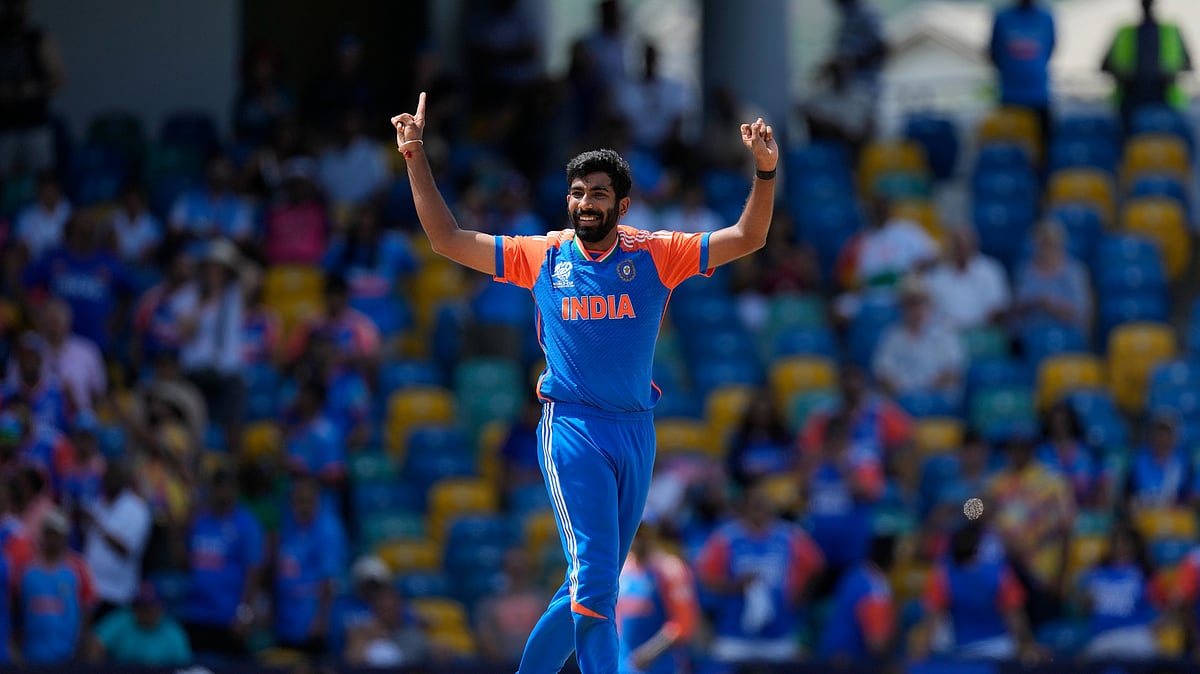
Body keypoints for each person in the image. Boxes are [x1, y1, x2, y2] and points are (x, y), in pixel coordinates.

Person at [393, 89, 778, 674]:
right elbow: (448, 240)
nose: (584, 203)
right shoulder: (543, 257)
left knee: (588, 585)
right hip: (572, 428)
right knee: (598, 578)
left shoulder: (656, 254)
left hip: (635, 433)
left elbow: (749, 239)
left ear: (622, 206)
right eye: (576, 193)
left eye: (598, 194)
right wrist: (417, 157)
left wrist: (766, 170)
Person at [694, 479, 825, 664]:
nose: (760, 511)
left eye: (764, 506)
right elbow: (706, 579)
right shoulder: (726, 538)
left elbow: (817, 566)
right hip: (734, 634)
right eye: (755, 506)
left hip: (779, 632)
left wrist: (800, 597)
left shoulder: (790, 536)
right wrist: (735, 586)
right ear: (744, 509)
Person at [987, 426, 1075, 628]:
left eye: (1022, 447)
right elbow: (971, 514)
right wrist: (969, 505)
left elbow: (1066, 530)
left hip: (1042, 574)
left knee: (1045, 631)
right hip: (1006, 574)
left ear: (1032, 449)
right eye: (1012, 448)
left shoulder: (1052, 482)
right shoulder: (995, 483)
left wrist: (1061, 576)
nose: (1017, 453)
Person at [919, 521, 1041, 661]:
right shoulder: (1000, 572)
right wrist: (1025, 645)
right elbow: (1014, 616)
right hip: (999, 648)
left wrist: (923, 654)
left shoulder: (943, 576)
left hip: (964, 650)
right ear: (978, 547)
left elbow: (932, 619)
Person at [21, 216, 137, 351]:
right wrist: (35, 316)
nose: (85, 236)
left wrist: (115, 324)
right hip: (57, 343)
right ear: (72, 232)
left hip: (97, 342)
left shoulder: (108, 261)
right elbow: (23, 284)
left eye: (89, 232)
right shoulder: (55, 258)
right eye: (82, 232)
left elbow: (129, 293)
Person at [182, 467, 264, 657]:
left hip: (228, 618)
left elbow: (254, 573)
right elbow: (186, 562)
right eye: (218, 487)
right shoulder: (200, 520)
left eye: (227, 488)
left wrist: (245, 614)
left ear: (235, 490)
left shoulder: (247, 524)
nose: (222, 493)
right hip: (196, 613)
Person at [175, 238, 248, 450]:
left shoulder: (234, 294)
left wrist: (232, 262)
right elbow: (185, 331)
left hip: (227, 370)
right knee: (195, 426)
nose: (214, 272)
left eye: (220, 268)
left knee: (232, 425)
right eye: (211, 266)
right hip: (195, 370)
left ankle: (232, 472)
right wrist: (204, 301)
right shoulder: (187, 295)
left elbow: (254, 274)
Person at [802, 412, 885, 589]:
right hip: (819, 547)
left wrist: (843, 466)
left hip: (852, 548)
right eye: (831, 437)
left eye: (840, 437)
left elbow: (866, 494)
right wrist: (813, 466)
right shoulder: (816, 461)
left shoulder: (863, 460)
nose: (835, 442)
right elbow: (803, 493)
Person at [615, 521, 699, 674]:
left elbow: (684, 624)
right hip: (623, 666)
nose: (637, 538)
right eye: (634, 531)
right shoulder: (620, 569)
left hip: (663, 666)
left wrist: (650, 653)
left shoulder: (670, 570)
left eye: (642, 533)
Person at [804, 0, 888, 152]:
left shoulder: (864, 15)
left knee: (850, 131)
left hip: (860, 91)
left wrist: (847, 63)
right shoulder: (849, 15)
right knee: (809, 106)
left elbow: (881, 48)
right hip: (846, 92)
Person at [273, 474, 342, 657]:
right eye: (296, 500)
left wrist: (321, 619)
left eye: (305, 500)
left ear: (316, 499)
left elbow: (330, 580)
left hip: (310, 620)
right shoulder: (288, 525)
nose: (300, 505)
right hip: (285, 618)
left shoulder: (327, 530)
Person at [18, 508, 95, 665]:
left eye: (57, 534)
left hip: (66, 654)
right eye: (49, 533)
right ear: (43, 535)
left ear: (65, 537)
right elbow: (17, 606)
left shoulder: (78, 568)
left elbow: (87, 607)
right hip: (32, 654)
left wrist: (81, 643)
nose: (53, 539)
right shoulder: (27, 570)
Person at [1102, 0, 1193, 131]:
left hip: (1167, 101)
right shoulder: (1125, 32)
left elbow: (1188, 65)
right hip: (1129, 100)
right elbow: (1104, 66)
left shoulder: (1171, 31)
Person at [872, 276, 966, 402]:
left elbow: (953, 371)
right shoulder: (891, 336)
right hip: (902, 399)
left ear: (929, 305)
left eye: (919, 303)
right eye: (910, 304)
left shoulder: (945, 334)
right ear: (902, 307)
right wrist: (907, 395)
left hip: (937, 400)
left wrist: (926, 394)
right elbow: (883, 372)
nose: (915, 309)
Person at [1077, 522, 1161, 660]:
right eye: (1117, 542)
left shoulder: (1144, 574)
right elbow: (1083, 609)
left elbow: (1160, 606)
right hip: (1103, 636)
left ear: (1135, 546)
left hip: (1135, 635)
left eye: (1126, 542)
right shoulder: (1097, 574)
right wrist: (1085, 600)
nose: (1121, 547)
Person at [0, 0, 64, 177]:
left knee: (42, 177)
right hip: (4, 126)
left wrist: (32, 88)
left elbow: (58, 78)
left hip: (34, 124)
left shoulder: (37, 38)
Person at [80, 462, 151, 618]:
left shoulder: (137, 509)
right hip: (91, 588)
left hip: (117, 593)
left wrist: (98, 525)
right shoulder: (98, 503)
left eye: (114, 477)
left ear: (124, 480)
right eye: (106, 477)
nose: (109, 480)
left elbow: (126, 549)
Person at [818, 535, 897, 664]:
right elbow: (877, 642)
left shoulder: (855, 572)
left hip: (830, 655)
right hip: (848, 661)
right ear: (891, 558)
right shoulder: (875, 588)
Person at [989, 0, 1056, 145]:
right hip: (1010, 96)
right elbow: (993, 52)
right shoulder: (1003, 18)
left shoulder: (1046, 17)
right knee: (1009, 147)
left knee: (1044, 148)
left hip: (1040, 96)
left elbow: (1051, 48)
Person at [26, 297, 106, 414]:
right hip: (35, 417)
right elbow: (13, 386)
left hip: (79, 421)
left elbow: (99, 394)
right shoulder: (29, 346)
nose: (52, 327)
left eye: (56, 321)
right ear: (41, 320)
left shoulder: (88, 351)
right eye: (49, 321)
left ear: (68, 321)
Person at [924, 226, 1011, 332]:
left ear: (974, 246)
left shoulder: (991, 271)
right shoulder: (938, 276)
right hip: (947, 333)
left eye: (965, 246)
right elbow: (931, 311)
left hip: (983, 332)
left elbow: (999, 307)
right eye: (957, 246)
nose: (962, 250)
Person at [1012, 219, 1092, 333]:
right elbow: (1016, 310)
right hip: (1030, 333)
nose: (1046, 249)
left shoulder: (1074, 272)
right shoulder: (1024, 271)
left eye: (1050, 244)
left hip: (1067, 332)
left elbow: (1082, 313)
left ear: (1060, 244)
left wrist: (1052, 306)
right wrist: (1033, 304)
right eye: (1042, 244)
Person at [88, 581, 192, 666]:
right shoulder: (122, 619)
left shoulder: (174, 632)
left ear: (161, 608)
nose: (145, 612)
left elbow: (184, 667)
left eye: (150, 608)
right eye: (141, 607)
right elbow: (96, 644)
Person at [614, 43, 691, 154]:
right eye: (646, 57)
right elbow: (622, 123)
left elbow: (677, 120)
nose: (649, 62)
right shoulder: (627, 89)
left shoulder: (673, 87)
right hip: (635, 146)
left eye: (652, 57)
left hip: (665, 148)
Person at [477, 548, 549, 666]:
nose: (518, 570)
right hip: (501, 666)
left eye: (522, 567)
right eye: (514, 568)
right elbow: (486, 634)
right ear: (505, 569)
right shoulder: (490, 603)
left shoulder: (544, 601)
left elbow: (550, 635)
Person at [168, 154, 255, 246]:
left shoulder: (238, 205)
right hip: (191, 253)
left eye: (224, 169)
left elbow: (243, 238)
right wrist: (195, 233)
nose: (219, 174)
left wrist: (219, 236)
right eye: (216, 168)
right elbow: (173, 230)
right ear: (207, 170)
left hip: (226, 255)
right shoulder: (188, 198)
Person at [317, 109, 390, 215]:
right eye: (344, 122)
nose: (347, 126)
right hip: (334, 217)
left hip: (367, 216)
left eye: (351, 122)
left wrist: (363, 211)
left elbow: (382, 189)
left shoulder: (373, 151)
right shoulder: (327, 157)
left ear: (359, 124)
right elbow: (322, 192)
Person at [1037, 401, 1107, 509]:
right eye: (1055, 422)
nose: (1059, 426)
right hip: (1051, 509)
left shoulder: (1086, 450)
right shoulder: (1041, 452)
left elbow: (1100, 480)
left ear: (1071, 422)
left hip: (1085, 507)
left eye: (1063, 422)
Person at [344, 584, 429, 667]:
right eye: (383, 609)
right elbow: (353, 661)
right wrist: (366, 637)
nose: (387, 615)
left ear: (400, 609)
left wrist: (387, 637)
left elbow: (414, 664)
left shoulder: (413, 635)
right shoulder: (361, 632)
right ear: (374, 609)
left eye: (391, 609)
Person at [1126, 409, 1189, 509]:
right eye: (1159, 432)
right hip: (1143, 513)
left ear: (1175, 436)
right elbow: (1128, 494)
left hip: (1174, 514)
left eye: (1167, 433)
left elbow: (1187, 496)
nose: (1162, 437)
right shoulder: (1138, 460)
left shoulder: (1183, 462)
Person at [13, 171, 70, 260]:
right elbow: (21, 247)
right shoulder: (26, 216)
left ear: (58, 190)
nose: (48, 194)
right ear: (38, 191)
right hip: (35, 264)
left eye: (51, 189)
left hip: (64, 264)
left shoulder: (70, 212)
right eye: (44, 189)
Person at [109, 182, 162, 267]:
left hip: (142, 266)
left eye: (135, 200)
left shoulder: (152, 223)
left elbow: (151, 251)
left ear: (141, 201)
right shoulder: (114, 219)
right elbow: (111, 245)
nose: (132, 204)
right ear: (124, 201)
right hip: (118, 263)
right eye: (129, 200)